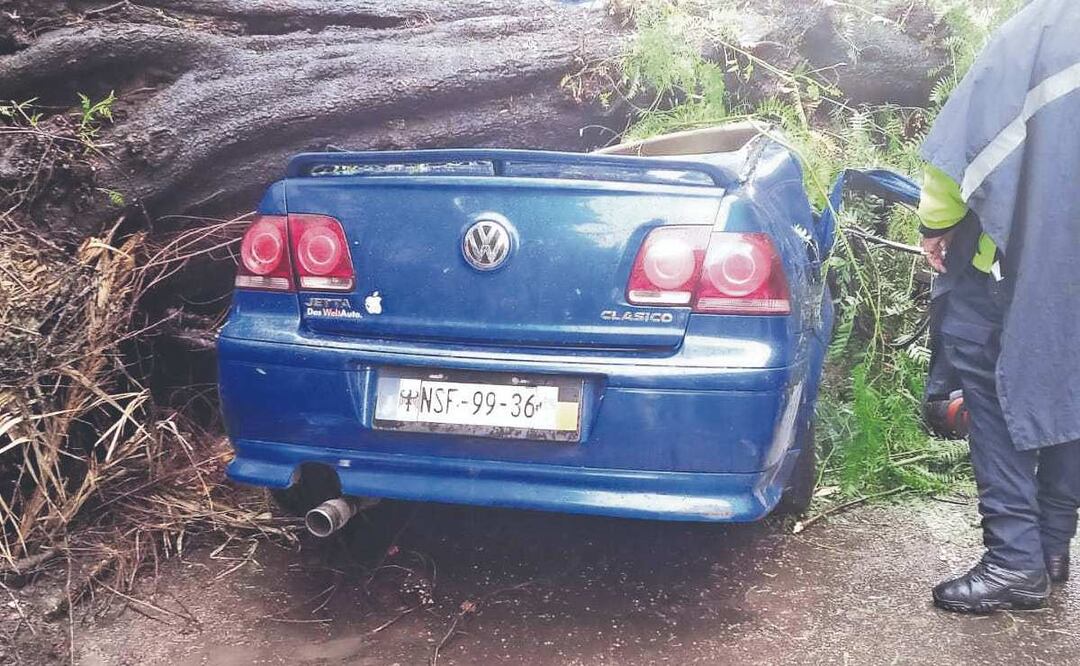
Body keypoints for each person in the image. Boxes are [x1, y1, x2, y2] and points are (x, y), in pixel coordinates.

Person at [916, 0, 1080, 614]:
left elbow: (966, 144)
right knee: (1070, 385)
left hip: (1021, 269)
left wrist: (937, 226)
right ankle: (1051, 548)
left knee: (990, 385)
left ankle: (1015, 562)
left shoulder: (1040, 30)